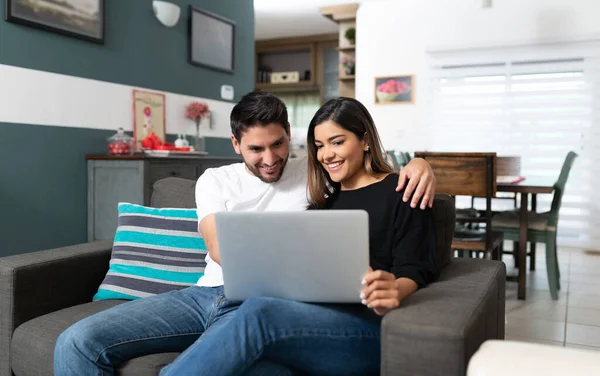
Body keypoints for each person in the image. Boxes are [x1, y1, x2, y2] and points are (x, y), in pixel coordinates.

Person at [54, 92, 436, 375]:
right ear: (236, 144)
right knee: (76, 341)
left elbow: (412, 264)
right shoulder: (234, 181)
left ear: (289, 135)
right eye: (256, 149)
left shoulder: (321, 178)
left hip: (279, 308)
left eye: (278, 145)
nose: (270, 159)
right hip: (208, 296)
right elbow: (221, 250)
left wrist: (422, 163)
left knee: (258, 312)